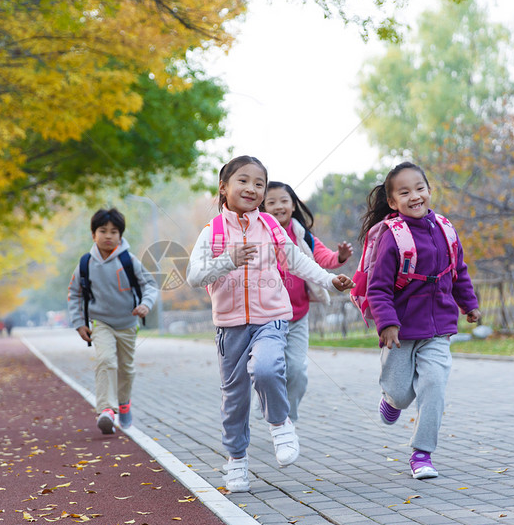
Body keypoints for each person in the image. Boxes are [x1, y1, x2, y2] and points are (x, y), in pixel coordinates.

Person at [187, 155, 354, 493]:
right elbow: (193, 276)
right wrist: (228, 261)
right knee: (235, 399)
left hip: (271, 318)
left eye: (259, 184)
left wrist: (328, 280)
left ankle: (280, 425)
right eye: (243, 181)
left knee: (266, 369)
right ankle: (236, 461)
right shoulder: (213, 232)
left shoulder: (269, 226)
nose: (252, 188)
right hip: (230, 325)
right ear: (224, 187)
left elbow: (296, 261)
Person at [361, 161, 481, 480]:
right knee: (401, 393)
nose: (414, 196)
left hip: (439, 327)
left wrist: (469, 304)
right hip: (401, 331)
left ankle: (422, 453)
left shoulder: (445, 229)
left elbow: (459, 272)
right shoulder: (392, 237)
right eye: (405, 192)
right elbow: (379, 287)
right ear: (392, 202)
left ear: (429, 190)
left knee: (434, 385)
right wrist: (387, 323)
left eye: (420, 188)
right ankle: (391, 400)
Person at [263, 181, 353, 423]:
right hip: (267, 318)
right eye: (270, 202)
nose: (278, 206)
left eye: (283, 201)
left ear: (293, 205)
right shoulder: (258, 234)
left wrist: (340, 257)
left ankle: (287, 420)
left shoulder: (303, 237)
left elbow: (323, 258)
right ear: (262, 207)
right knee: (269, 370)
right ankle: (269, 402)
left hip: (297, 316)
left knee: (297, 371)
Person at [67, 208, 158, 435]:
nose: (108, 236)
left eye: (114, 232)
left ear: (121, 235)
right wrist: (79, 323)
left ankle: (124, 404)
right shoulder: (85, 263)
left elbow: (150, 285)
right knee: (105, 360)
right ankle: (106, 410)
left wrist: (146, 304)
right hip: (100, 322)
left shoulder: (129, 260)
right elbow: (74, 293)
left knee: (126, 369)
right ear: (93, 235)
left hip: (128, 323)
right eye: (103, 231)